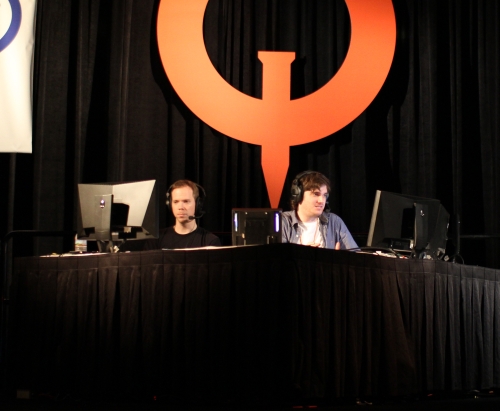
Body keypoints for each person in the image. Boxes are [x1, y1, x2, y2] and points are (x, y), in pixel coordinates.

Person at [120, 179, 221, 250]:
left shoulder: (210, 241)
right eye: (176, 202)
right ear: (170, 204)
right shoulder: (156, 240)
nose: (180, 207)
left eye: (186, 201)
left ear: (198, 204)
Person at [282, 171, 358, 250]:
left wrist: (338, 257)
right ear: (298, 195)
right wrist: (303, 255)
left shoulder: (334, 222)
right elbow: (276, 256)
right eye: (316, 194)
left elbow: (356, 256)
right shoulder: (282, 222)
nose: (322, 200)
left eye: (324, 195)